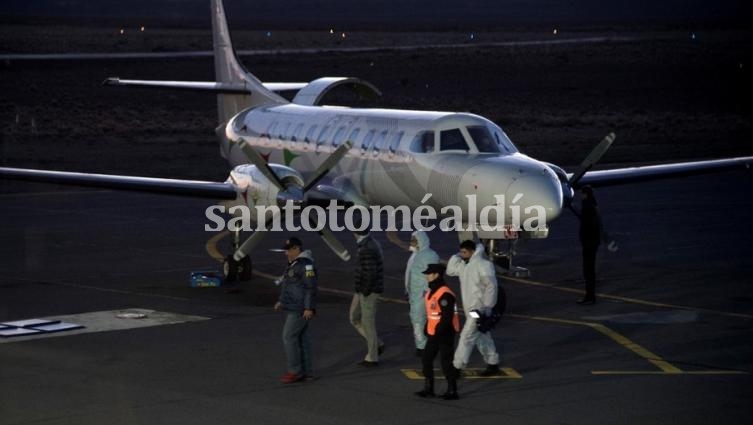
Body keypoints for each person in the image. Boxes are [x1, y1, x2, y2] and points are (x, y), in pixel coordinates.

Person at [446, 240, 501, 377]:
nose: (462, 254)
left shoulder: (483, 265)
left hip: (478, 309)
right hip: (470, 309)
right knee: (481, 335)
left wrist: (488, 307)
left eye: (464, 252)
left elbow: (491, 286)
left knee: (467, 336)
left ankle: (457, 367)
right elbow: (450, 270)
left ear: (472, 251)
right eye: (461, 252)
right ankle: (492, 362)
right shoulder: (465, 265)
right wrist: (457, 256)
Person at [414, 263, 461, 400]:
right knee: (426, 359)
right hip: (434, 332)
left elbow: (446, 317)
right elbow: (432, 313)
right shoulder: (431, 292)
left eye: (429, 274)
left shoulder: (445, 294)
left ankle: (452, 391)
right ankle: (429, 388)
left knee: (446, 362)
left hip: (445, 333)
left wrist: (435, 332)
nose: (426, 276)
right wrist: (427, 328)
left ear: (436, 275)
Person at [274, 237, 317, 383]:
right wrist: (281, 301)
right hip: (295, 306)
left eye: (288, 250)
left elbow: (310, 287)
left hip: (300, 309)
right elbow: (288, 285)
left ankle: (294, 371)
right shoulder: (294, 264)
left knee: (288, 337)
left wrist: (308, 307)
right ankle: (307, 373)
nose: (286, 253)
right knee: (302, 339)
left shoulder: (306, 266)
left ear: (297, 249)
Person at [350, 228, 385, 366]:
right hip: (364, 290)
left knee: (367, 323)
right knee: (354, 318)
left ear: (355, 232)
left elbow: (370, 273)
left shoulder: (367, 248)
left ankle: (372, 357)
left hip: (368, 291)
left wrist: (364, 291)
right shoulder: (370, 243)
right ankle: (378, 344)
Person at [404, 231, 439, 357]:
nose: (411, 242)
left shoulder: (429, 255)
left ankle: (423, 347)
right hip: (415, 294)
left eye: (414, 240)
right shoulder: (417, 255)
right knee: (418, 320)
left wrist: (426, 292)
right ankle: (422, 345)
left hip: (423, 294)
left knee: (420, 320)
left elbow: (432, 275)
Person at [576, 185, 602, 305]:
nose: (581, 195)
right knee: (589, 269)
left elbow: (588, 226)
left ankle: (590, 296)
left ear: (586, 194)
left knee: (588, 270)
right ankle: (590, 296)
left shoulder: (588, 208)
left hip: (589, 243)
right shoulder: (593, 206)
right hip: (593, 242)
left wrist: (585, 241)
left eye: (582, 193)